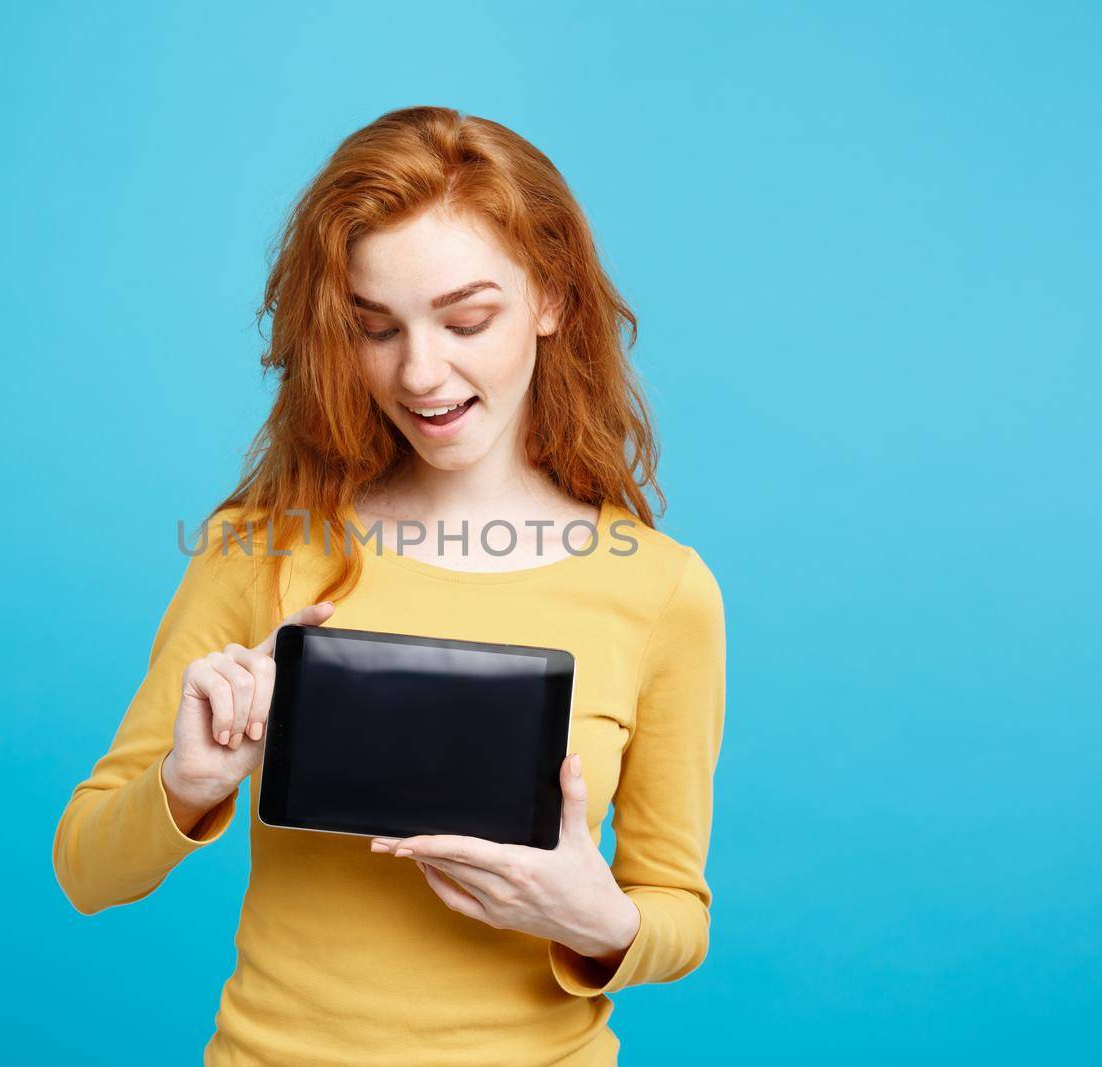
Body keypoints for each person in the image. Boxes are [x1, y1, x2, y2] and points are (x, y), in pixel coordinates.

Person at [51, 105, 726, 1067]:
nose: (419, 372)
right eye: (376, 329)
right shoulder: (262, 550)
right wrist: (190, 781)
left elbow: (675, 913)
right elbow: (85, 868)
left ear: (554, 298)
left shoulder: (662, 592)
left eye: (467, 318)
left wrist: (599, 920)